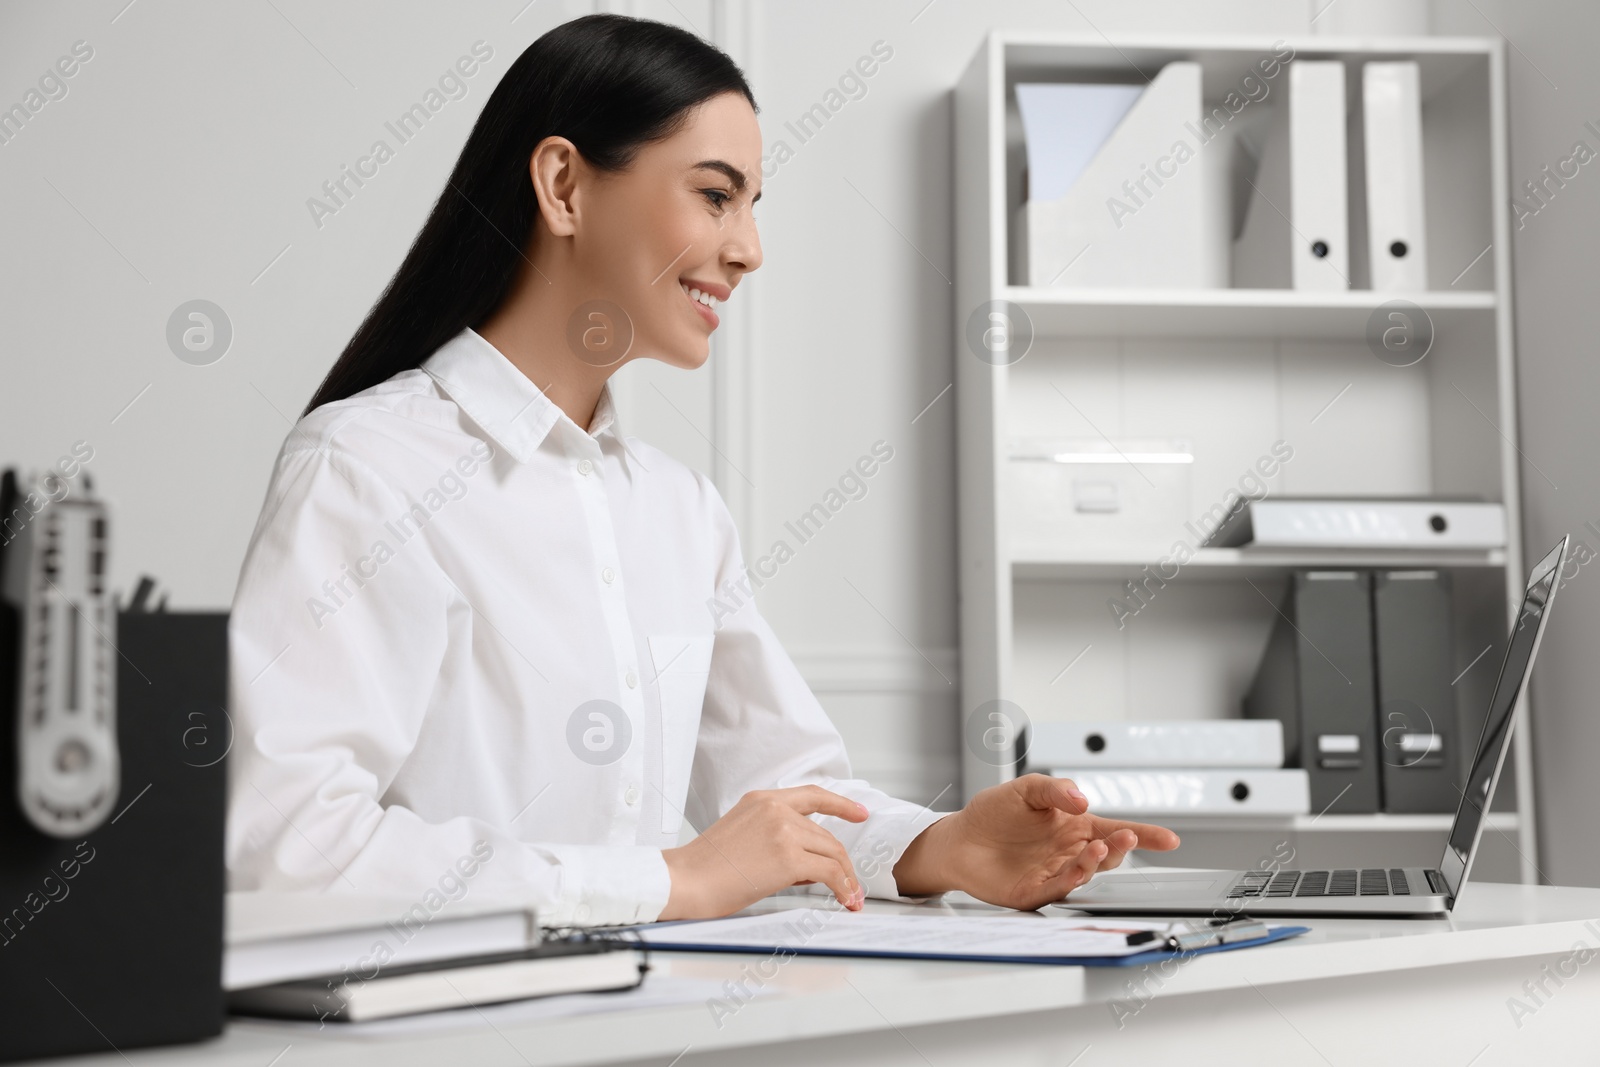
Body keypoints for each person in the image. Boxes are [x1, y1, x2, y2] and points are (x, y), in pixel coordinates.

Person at [226, 13, 1178, 927]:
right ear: (564, 185)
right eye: (716, 195)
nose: (749, 249)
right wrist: (667, 879)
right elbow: (288, 847)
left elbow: (784, 787)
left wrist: (946, 847)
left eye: (752, 205)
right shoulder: (367, 468)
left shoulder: (678, 511)